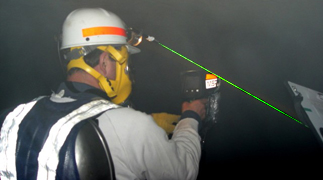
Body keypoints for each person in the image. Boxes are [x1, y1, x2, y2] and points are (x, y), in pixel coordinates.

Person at [0, 8, 207, 180]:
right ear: (106, 61)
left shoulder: (13, 117)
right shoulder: (132, 127)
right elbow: (184, 171)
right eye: (126, 64)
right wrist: (191, 118)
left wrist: (152, 122)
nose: (128, 72)